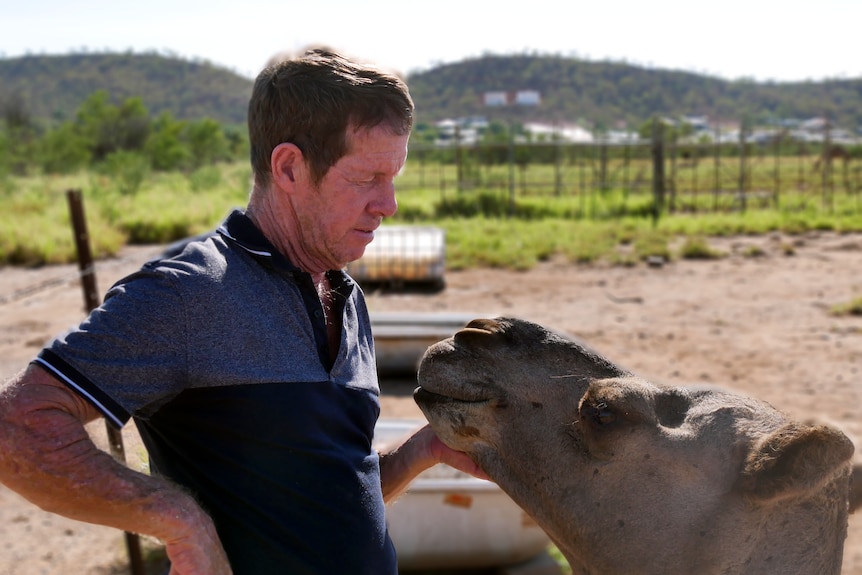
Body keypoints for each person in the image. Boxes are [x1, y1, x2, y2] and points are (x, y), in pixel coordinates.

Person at [0, 49, 485, 575]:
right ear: (289, 167)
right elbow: (18, 427)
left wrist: (420, 452)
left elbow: (318, 503)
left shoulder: (347, 299)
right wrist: (181, 520)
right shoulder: (189, 292)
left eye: (394, 178)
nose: (388, 204)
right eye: (367, 178)